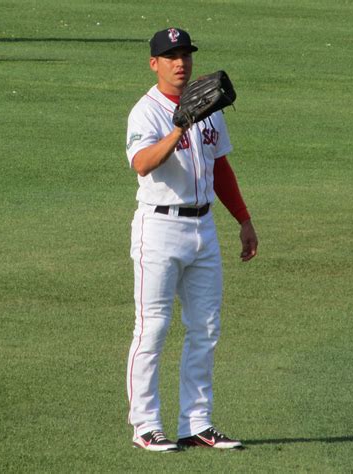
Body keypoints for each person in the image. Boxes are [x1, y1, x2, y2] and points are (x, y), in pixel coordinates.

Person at [125, 27, 258, 452]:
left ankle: (196, 423)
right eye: (171, 56)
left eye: (185, 54)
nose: (180, 63)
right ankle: (145, 426)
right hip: (159, 230)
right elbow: (142, 164)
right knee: (153, 329)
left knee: (205, 328)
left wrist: (243, 219)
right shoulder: (144, 112)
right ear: (154, 64)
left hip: (204, 229)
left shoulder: (209, 105)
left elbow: (220, 169)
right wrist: (176, 130)